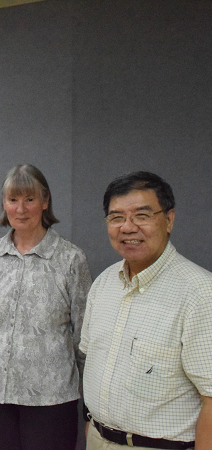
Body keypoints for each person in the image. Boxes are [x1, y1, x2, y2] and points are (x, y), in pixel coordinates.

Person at [80, 171, 212, 450]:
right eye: (116, 217)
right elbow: (92, 362)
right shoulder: (104, 283)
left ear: (169, 220)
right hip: (98, 439)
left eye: (142, 215)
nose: (128, 227)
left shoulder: (200, 293)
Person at [0, 164, 92, 450]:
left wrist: (89, 402)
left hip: (51, 399)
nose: (21, 208)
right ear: (4, 204)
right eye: (13, 199)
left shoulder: (70, 259)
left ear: (45, 201)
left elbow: (84, 334)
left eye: (30, 199)